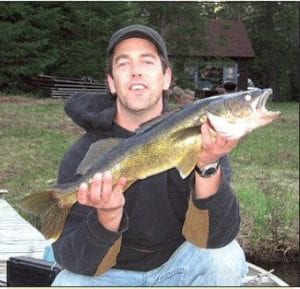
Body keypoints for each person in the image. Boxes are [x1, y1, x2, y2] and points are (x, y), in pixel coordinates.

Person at [51, 24, 248, 286]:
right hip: (111, 275)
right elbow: (72, 259)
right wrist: (107, 216)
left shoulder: (202, 140)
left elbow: (218, 238)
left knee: (226, 258)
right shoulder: (82, 155)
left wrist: (208, 165)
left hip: (179, 267)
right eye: (123, 63)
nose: (136, 71)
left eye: (147, 61)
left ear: (166, 77)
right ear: (111, 82)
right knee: (68, 283)